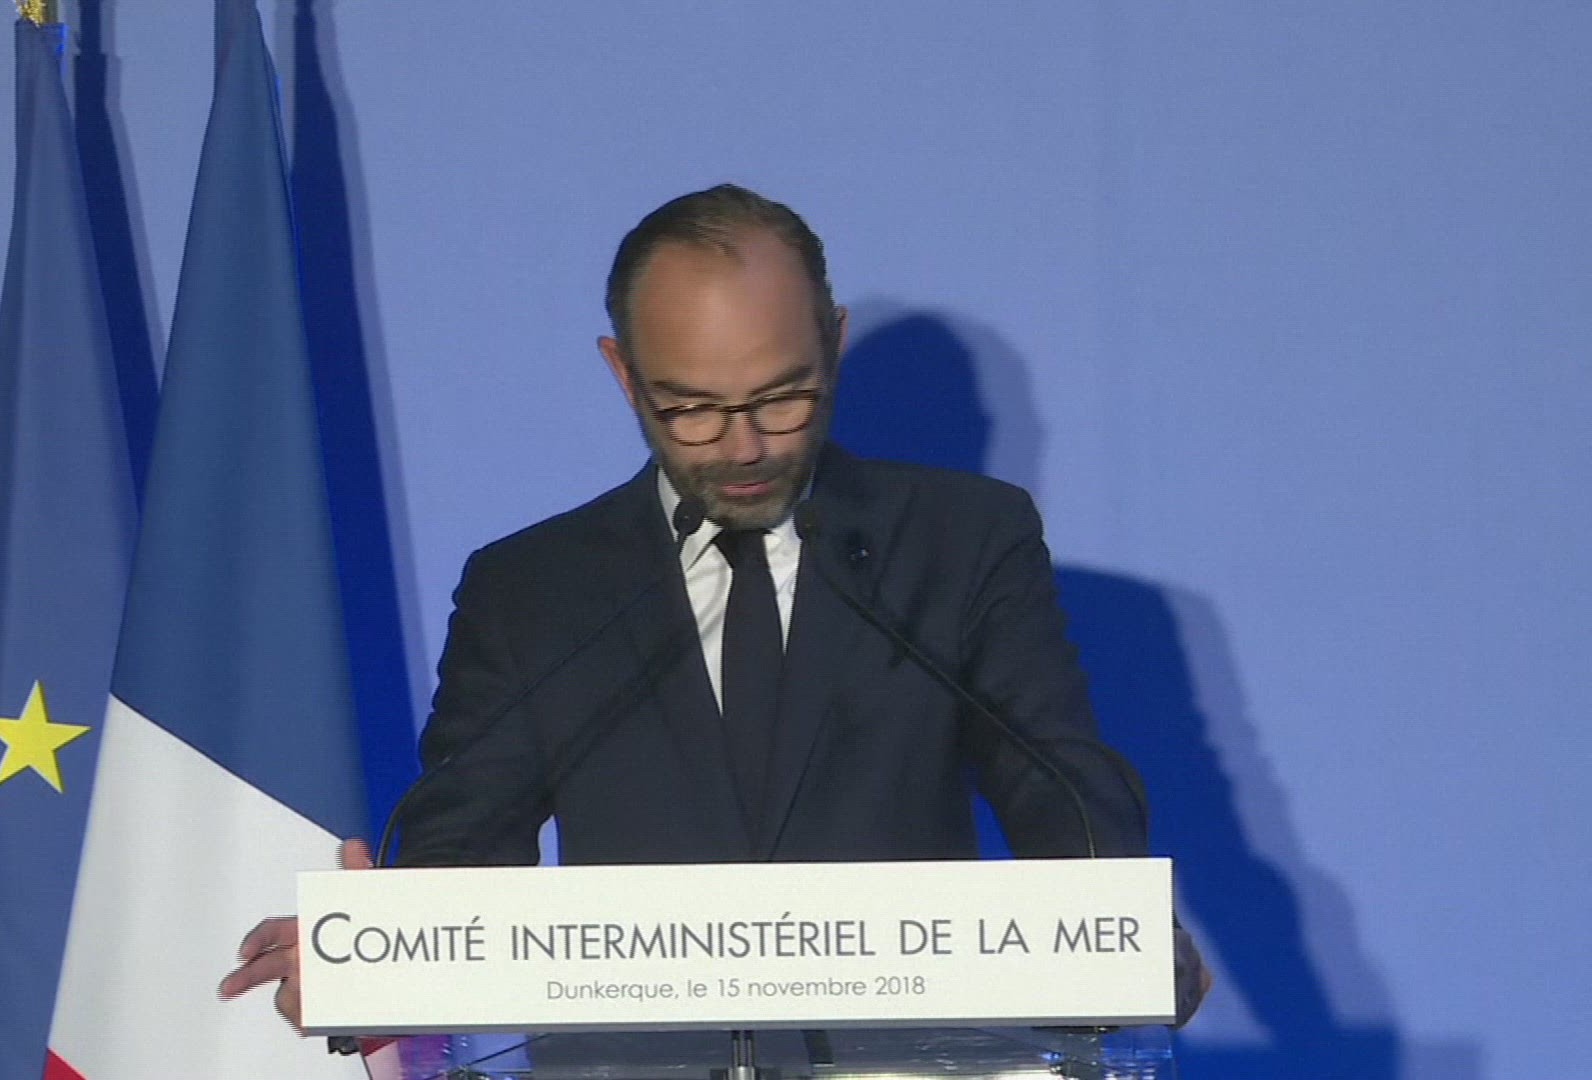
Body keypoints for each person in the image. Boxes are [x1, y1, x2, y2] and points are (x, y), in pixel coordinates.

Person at [219, 183, 1209, 1027]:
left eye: (783, 398)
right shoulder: (533, 589)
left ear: (834, 345)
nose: (744, 447)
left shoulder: (961, 541)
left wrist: (1120, 935)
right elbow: (464, 846)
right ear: (623, 374)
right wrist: (383, 952)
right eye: (689, 408)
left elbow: (1056, 782)